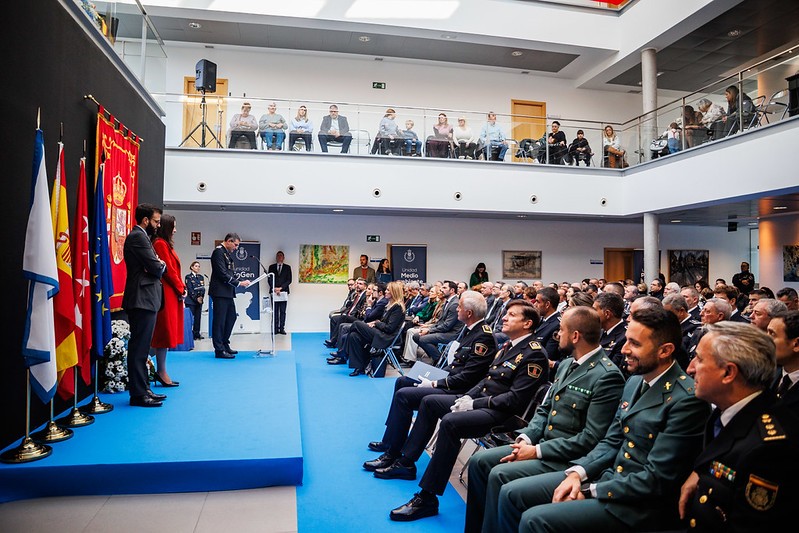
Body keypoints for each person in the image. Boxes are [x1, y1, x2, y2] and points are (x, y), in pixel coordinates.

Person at [496, 307, 709, 533]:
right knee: (513, 494)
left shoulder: (686, 399)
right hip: (611, 479)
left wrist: (590, 490)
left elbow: (656, 478)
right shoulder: (635, 382)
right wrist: (578, 474)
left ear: (665, 350)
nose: (624, 349)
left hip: (640, 507)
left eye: (635, 344)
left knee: (535, 520)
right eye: (626, 340)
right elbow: (611, 441)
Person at [382, 300, 549, 522]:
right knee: (430, 402)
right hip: (485, 402)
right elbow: (486, 379)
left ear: (528, 323)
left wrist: (475, 404)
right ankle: (405, 462)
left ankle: (427, 497)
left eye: (512, 315)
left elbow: (514, 400)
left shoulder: (534, 354)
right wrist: (469, 395)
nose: (505, 317)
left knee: (451, 423)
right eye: (506, 313)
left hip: (504, 415)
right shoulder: (510, 346)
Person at [465, 306, 625, 533]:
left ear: (575, 336)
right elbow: (545, 410)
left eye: (561, 329)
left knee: (500, 474)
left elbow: (592, 438)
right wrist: (526, 438)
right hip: (542, 445)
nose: (557, 334)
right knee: (479, 462)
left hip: (565, 457)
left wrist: (537, 451)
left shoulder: (606, 376)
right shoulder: (568, 364)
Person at [679, 322, 798, 531]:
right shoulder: (729, 409)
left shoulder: (769, 449)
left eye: (699, 359)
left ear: (728, 373)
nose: (690, 368)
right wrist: (700, 472)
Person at [364, 290, 497, 462]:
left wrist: (435, 383)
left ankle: (394, 453)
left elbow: (467, 378)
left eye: (460, 307)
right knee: (402, 381)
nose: (457, 309)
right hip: (451, 378)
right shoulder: (471, 329)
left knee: (404, 396)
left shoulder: (482, 337)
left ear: (469, 313)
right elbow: (457, 365)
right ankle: (390, 440)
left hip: (458, 389)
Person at [122, 204, 166, 407]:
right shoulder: (138, 236)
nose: (158, 225)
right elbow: (157, 267)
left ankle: (143, 388)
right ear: (146, 220)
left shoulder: (142, 237)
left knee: (142, 348)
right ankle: (138, 394)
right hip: (141, 298)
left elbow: (155, 265)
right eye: (156, 221)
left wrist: (157, 264)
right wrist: (159, 264)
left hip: (146, 298)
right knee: (139, 348)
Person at [149, 213, 184, 387]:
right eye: (173, 227)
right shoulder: (160, 244)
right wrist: (181, 288)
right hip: (166, 294)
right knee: (164, 333)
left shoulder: (164, 244)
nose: (175, 230)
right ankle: (161, 371)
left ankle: (162, 370)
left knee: (166, 333)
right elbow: (169, 270)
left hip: (170, 293)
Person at [345, 281, 407, 376]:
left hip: (385, 337)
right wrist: (375, 323)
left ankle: (343, 352)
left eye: (387, 290)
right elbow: (383, 322)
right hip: (380, 333)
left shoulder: (397, 307)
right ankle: (359, 367)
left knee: (356, 324)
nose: (385, 291)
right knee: (354, 336)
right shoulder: (390, 305)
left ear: (394, 292)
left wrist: (376, 323)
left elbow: (389, 328)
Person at [209, 233, 251, 359]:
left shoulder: (226, 254)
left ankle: (225, 343)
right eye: (236, 245)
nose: (236, 248)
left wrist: (241, 281)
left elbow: (230, 272)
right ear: (228, 241)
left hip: (227, 292)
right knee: (219, 321)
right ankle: (219, 350)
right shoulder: (218, 252)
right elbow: (222, 273)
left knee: (231, 318)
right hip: (220, 292)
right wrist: (239, 283)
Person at [267, 250, 292, 335]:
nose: (279, 257)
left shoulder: (287, 267)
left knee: (282, 311)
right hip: (274, 292)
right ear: (276, 257)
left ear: (283, 258)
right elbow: (269, 279)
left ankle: (281, 328)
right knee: (275, 311)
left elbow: (289, 280)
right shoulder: (271, 267)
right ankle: (275, 329)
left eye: (281, 256)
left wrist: (280, 288)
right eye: (278, 256)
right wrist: (274, 288)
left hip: (283, 292)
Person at [184, 260, 205, 341]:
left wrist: (201, 297)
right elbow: (190, 289)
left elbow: (203, 289)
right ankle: (189, 335)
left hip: (199, 301)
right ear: (192, 267)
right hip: (191, 301)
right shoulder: (188, 277)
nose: (198, 268)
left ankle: (197, 334)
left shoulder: (201, 277)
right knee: (190, 318)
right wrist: (196, 298)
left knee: (198, 318)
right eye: (196, 266)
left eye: (199, 266)